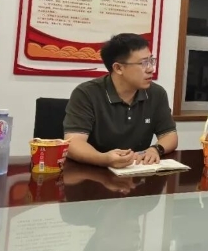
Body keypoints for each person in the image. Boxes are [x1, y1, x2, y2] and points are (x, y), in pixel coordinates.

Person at [63, 33, 178, 168]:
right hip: (94, 171)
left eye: (151, 61)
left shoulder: (156, 93)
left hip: (137, 170)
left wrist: (155, 149)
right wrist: (104, 159)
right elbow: (73, 143)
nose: (151, 69)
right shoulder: (86, 93)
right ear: (118, 68)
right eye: (143, 63)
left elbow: (170, 136)